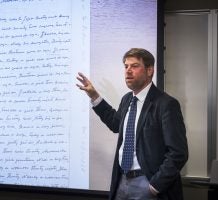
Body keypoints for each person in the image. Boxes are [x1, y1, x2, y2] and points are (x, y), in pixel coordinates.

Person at [76, 48, 188, 200]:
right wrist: (94, 96)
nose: (128, 71)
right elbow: (115, 124)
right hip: (122, 180)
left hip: (148, 183)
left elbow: (178, 153)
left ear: (150, 70)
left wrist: (155, 186)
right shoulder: (127, 99)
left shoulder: (166, 104)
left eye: (134, 66)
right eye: (126, 66)